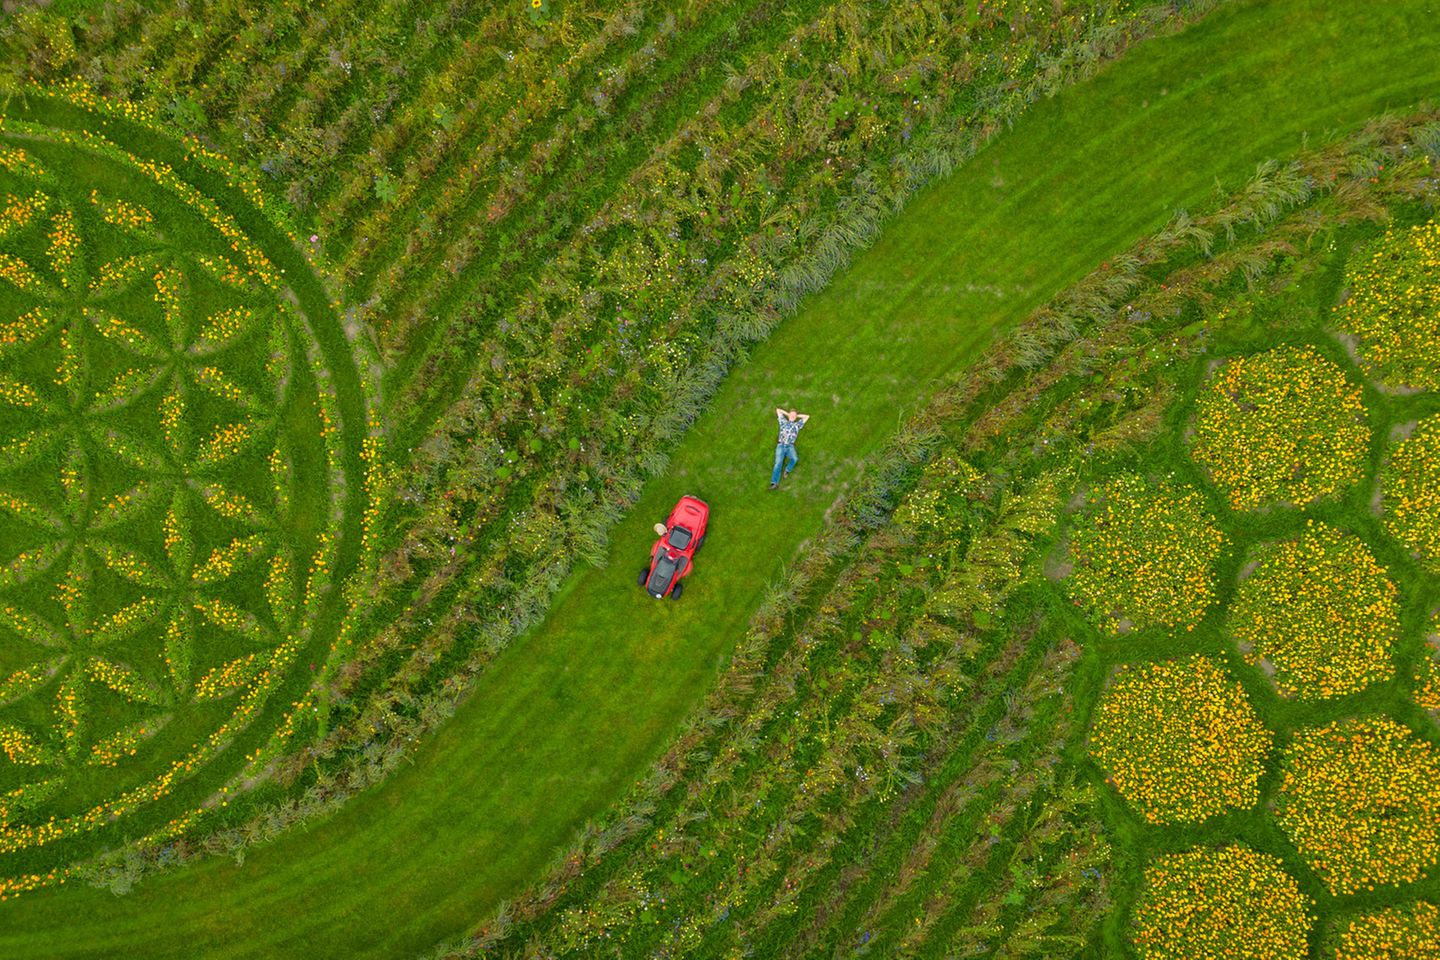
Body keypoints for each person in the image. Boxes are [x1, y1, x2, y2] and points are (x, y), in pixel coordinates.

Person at [770, 407, 809, 489]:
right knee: (778, 463)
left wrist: (796, 416)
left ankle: (787, 470)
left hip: (790, 446)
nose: (793, 416)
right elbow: (778, 410)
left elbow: (807, 416)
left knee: (795, 458)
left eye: (794, 415)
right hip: (781, 445)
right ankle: (774, 483)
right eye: (792, 415)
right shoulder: (783, 421)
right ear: (788, 415)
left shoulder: (797, 425)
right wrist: (788, 414)